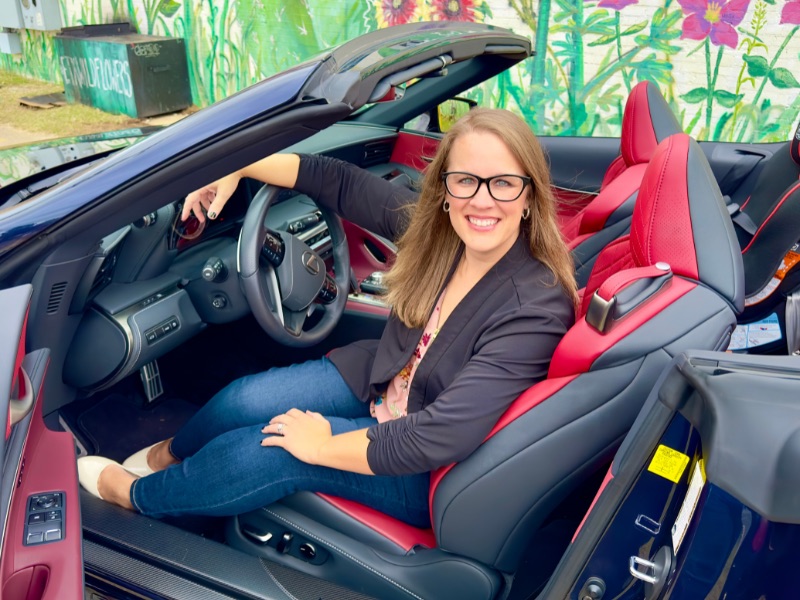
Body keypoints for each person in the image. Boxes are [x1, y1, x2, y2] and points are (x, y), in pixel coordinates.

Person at [77, 108, 577, 527]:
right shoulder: (441, 234)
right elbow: (336, 180)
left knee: (270, 448)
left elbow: (437, 435)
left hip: (422, 469)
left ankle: (138, 496)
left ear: (531, 194)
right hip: (384, 384)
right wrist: (241, 168)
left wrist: (321, 446)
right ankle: (170, 455)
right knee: (241, 400)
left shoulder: (536, 304)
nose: (481, 200)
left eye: (504, 184)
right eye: (465, 180)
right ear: (445, 190)